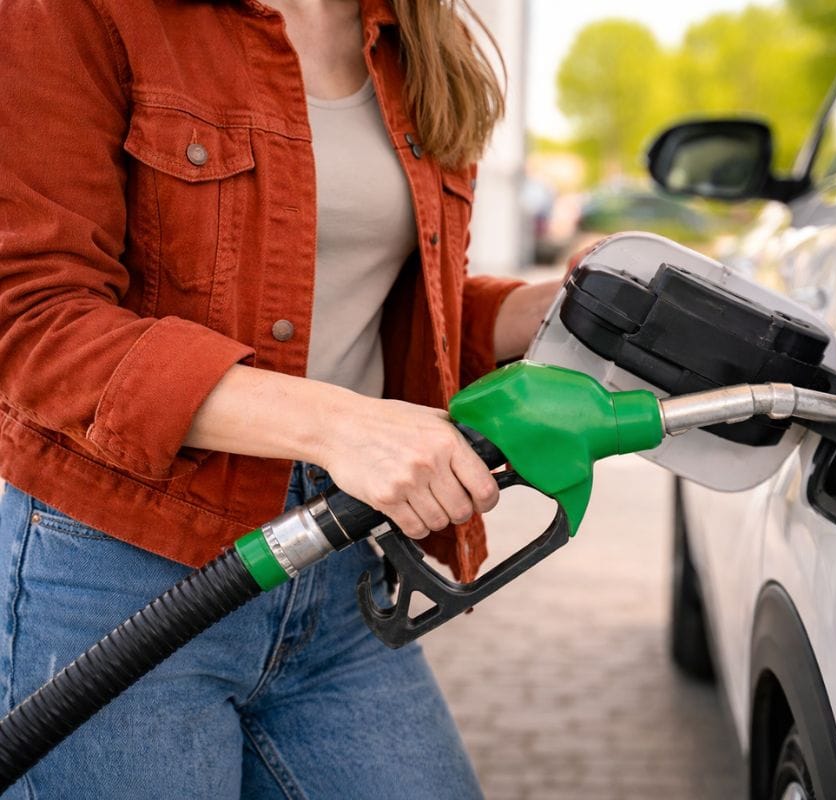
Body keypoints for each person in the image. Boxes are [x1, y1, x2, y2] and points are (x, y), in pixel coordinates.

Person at [0, 0, 558, 796]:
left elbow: (364, 298)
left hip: (331, 563)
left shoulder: (416, 37)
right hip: (116, 570)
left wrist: (537, 313)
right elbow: (32, 315)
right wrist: (335, 424)